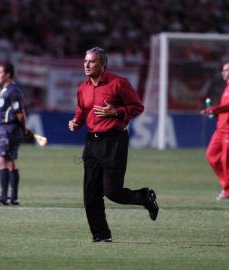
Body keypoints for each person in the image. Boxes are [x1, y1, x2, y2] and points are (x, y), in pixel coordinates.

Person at [68, 47, 159, 243]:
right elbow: (81, 111)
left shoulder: (118, 83)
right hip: (92, 142)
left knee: (113, 192)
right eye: (85, 61)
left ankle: (145, 197)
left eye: (91, 62)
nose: (86, 65)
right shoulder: (82, 88)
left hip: (114, 142)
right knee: (90, 194)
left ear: (102, 64)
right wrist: (75, 122)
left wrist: (116, 112)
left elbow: (137, 107)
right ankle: (101, 235)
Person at [201, 60, 229, 200]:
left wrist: (213, 109)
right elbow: (227, 107)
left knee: (228, 161)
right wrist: (215, 113)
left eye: (226, 70)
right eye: (223, 70)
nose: (223, 72)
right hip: (222, 128)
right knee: (211, 155)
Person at [0, 62, 26, 206]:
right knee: (10, 162)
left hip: (8, 129)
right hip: (9, 128)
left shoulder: (12, 91)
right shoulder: (6, 90)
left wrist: (23, 127)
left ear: (8, 75)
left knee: (1, 160)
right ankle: (14, 197)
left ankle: (4, 198)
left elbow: (19, 113)